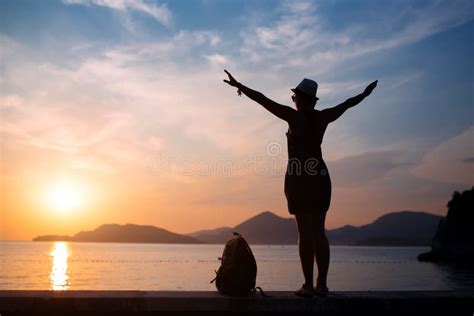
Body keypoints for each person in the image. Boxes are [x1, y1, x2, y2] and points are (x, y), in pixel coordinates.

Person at [223, 70, 377, 297]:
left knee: (305, 234)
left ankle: (307, 285)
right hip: (321, 176)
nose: (293, 101)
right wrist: (364, 94)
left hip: (300, 177)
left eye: (294, 98)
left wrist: (240, 86)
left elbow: (263, 99)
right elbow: (347, 104)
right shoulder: (324, 116)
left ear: (301, 99)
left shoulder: (294, 117)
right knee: (319, 233)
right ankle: (321, 285)